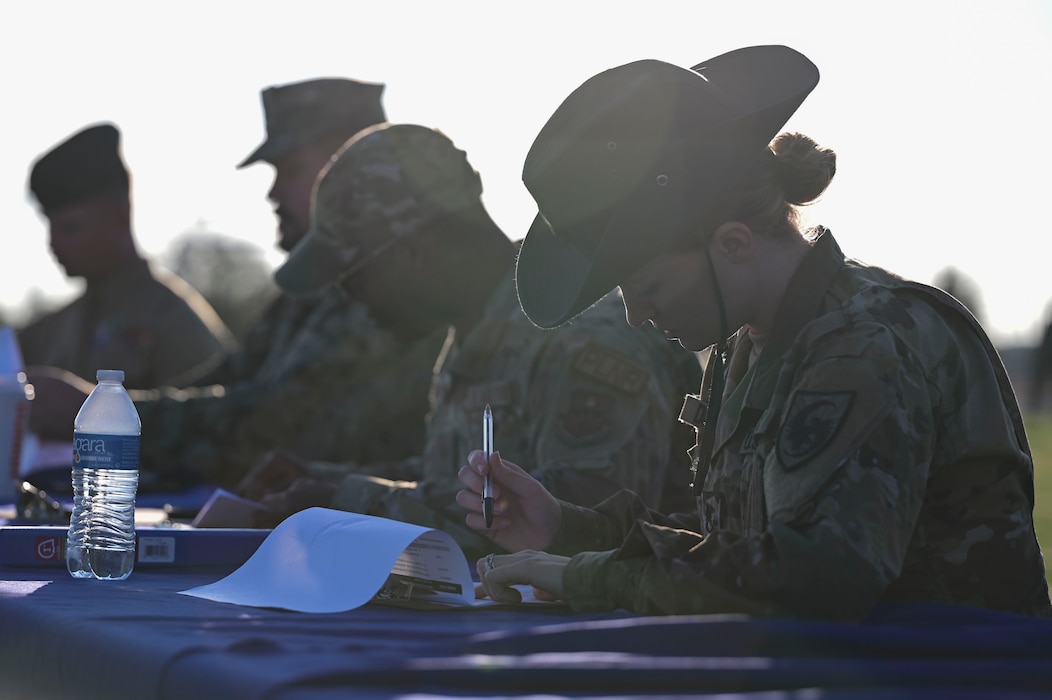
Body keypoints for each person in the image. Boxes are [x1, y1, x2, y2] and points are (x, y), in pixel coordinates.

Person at [457, 45, 1052, 620]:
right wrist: (564, 528)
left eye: (651, 288)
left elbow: (817, 575)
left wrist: (589, 575)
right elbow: (741, 543)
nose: (637, 315)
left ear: (734, 244)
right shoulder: (753, 342)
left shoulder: (865, 343)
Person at [238, 121, 702, 560]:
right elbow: (452, 484)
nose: (353, 303)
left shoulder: (582, 338)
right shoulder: (474, 336)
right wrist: (327, 483)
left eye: (351, 280)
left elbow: (574, 520)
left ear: (412, 251)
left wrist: (349, 502)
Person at [28, 79, 445, 492]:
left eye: (291, 169)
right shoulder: (310, 293)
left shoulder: (391, 289)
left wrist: (98, 416)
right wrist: (108, 412)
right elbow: (232, 382)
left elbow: (273, 426)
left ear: (352, 161)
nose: (274, 192)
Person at [18, 122, 234, 389]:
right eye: (50, 227)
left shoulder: (175, 321)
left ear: (119, 216)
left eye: (70, 228)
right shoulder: (51, 329)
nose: (53, 243)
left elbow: (210, 421)